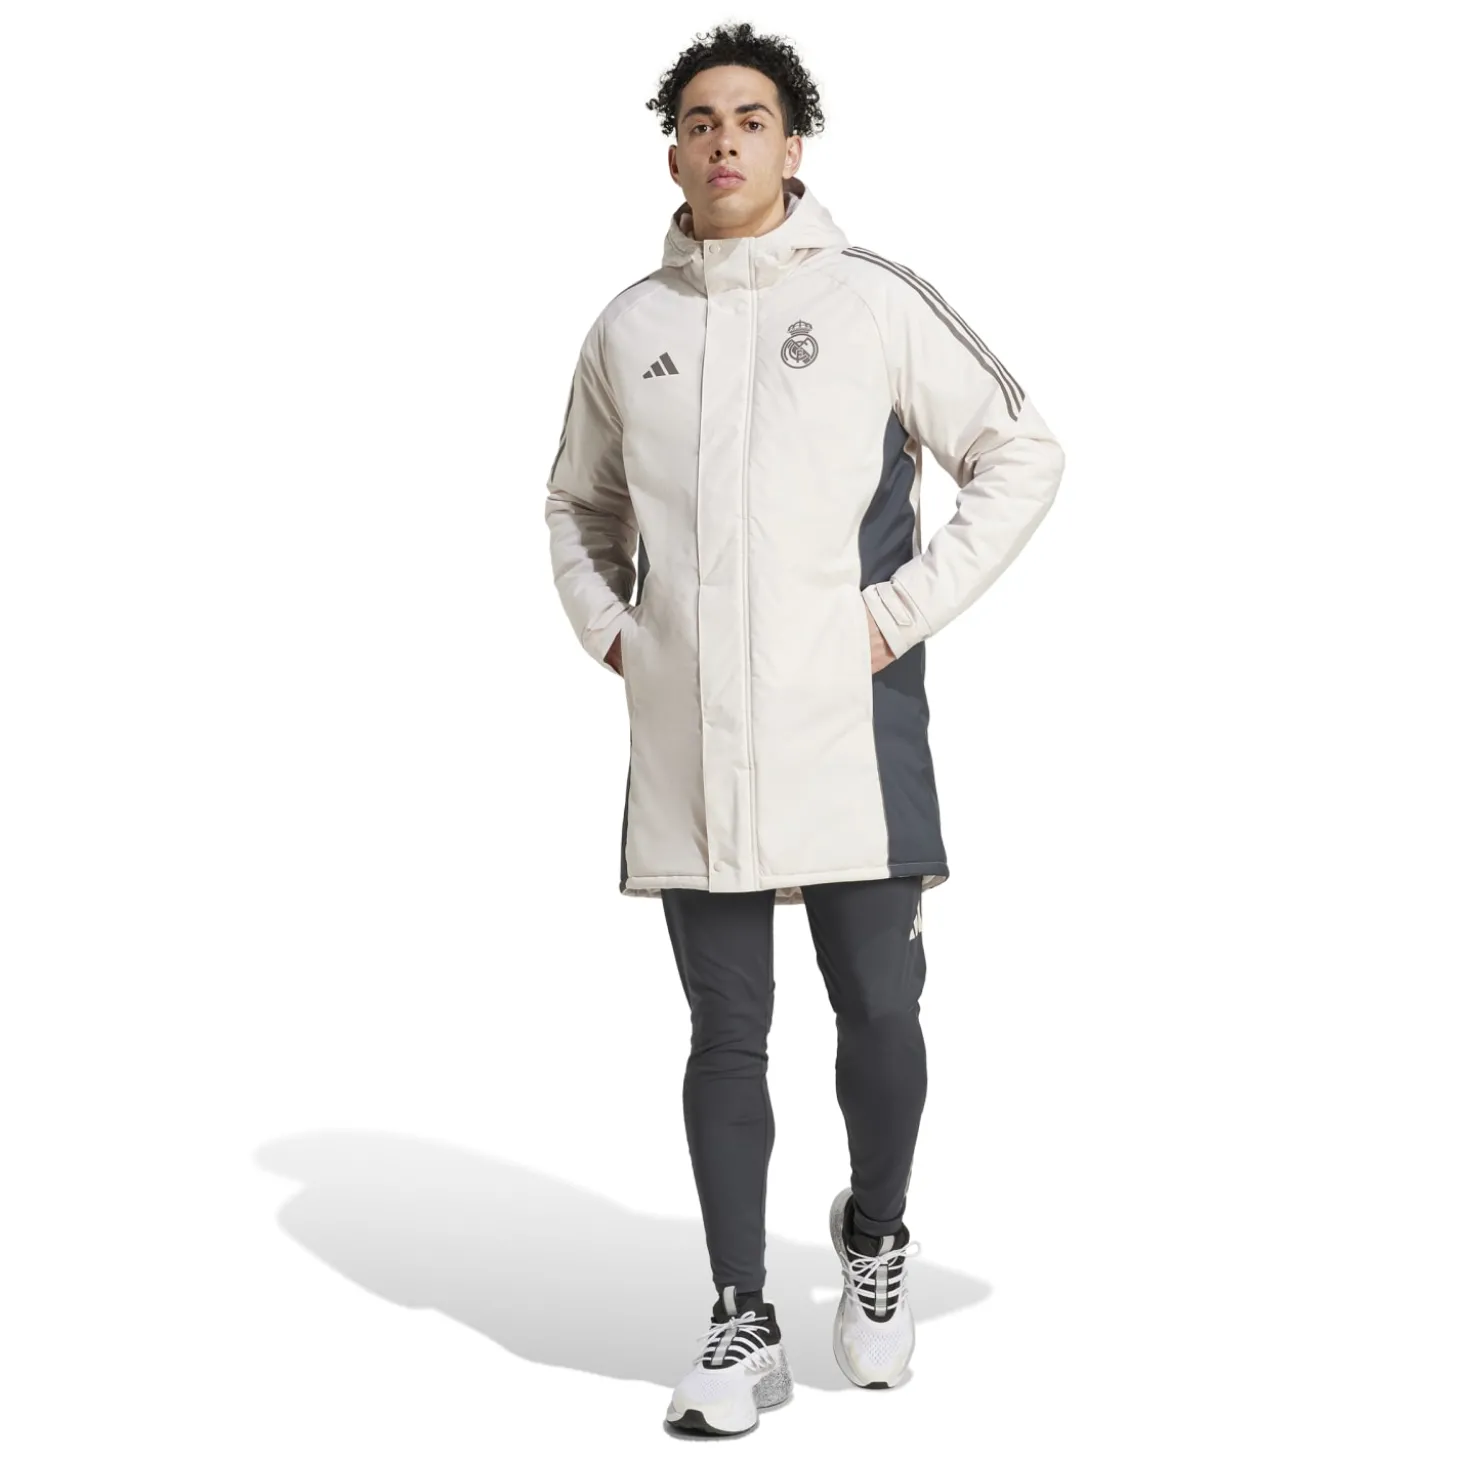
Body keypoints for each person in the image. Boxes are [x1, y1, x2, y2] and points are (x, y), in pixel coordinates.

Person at [544, 20, 1065, 1437]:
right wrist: (616, 632)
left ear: (793, 146)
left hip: (853, 734)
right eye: (699, 122)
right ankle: (741, 1317)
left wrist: (896, 615)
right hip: (690, 740)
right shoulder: (628, 329)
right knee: (727, 1031)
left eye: (751, 119)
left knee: (880, 1011)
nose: (725, 141)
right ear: (672, 154)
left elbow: (1021, 451)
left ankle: (875, 1235)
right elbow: (576, 504)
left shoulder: (873, 299)